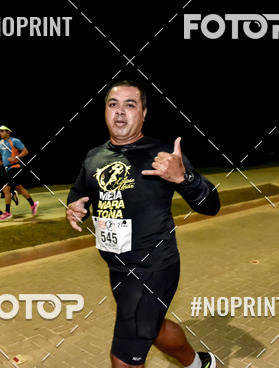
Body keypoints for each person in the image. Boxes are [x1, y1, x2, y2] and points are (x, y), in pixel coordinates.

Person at [66, 80, 220, 368]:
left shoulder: (162, 155)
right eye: (113, 104)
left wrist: (184, 178)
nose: (120, 111)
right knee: (154, 329)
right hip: (117, 267)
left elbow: (211, 205)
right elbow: (79, 192)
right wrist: (75, 208)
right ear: (105, 111)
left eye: (130, 104)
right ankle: (198, 364)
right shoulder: (94, 157)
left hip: (154, 268)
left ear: (144, 113)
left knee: (124, 357)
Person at [0, 125, 39, 221]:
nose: (0, 133)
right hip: (7, 169)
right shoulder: (0, 142)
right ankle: (33, 204)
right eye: (0, 131)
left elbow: (25, 151)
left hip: (14, 167)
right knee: (19, 188)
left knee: (6, 189)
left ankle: (7, 212)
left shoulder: (15, 141)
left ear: (8, 132)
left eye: (2, 131)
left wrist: (15, 157)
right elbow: (0, 156)